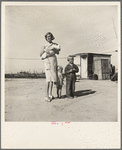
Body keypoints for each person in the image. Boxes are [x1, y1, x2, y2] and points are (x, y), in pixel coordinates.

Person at [40, 32, 61, 102]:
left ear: (52, 37)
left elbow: (58, 52)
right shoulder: (44, 45)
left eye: (50, 36)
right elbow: (40, 54)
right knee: (48, 79)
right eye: (47, 37)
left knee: (52, 79)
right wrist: (47, 54)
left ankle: (50, 94)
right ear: (46, 38)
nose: (49, 38)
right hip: (47, 62)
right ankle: (46, 95)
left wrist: (54, 50)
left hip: (53, 61)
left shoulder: (55, 44)